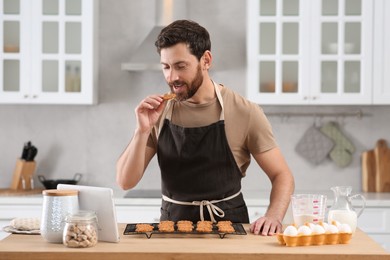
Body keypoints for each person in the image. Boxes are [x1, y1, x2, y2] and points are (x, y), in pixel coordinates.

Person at [116, 20, 294, 236]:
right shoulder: (158, 112)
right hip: (172, 230)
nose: (172, 77)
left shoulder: (245, 111)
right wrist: (141, 131)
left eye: (181, 66)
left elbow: (282, 175)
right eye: (166, 67)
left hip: (230, 230)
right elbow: (125, 181)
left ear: (206, 60)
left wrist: (274, 216)